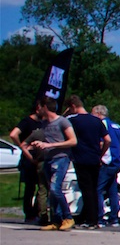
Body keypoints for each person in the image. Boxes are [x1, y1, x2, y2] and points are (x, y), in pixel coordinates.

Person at [25, 97, 76, 231]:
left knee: (55, 188)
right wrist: (36, 145)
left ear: (45, 107)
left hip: (61, 158)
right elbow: (45, 140)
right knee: (50, 191)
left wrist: (50, 145)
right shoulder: (44, 124)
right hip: (48, 159)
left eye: (40, 107)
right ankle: (56, 220)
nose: (38, 110)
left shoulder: (62, 122)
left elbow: (73, 141)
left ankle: (68, 217)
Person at [63, 95, 108, 229]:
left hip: (81, 158)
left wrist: (66, 113)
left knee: (86, 190)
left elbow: (63, 125)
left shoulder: (72, 121)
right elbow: (108, 140)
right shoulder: (96, 120)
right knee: (94, 189)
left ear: (72, 107)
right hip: (95, 158)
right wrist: (101, 154)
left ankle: (91, 220)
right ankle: (93, 217)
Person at [9, 104, 45, 225]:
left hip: (40, 157)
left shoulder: (44, 122)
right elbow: (13, 134)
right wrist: (22, 147)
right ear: (38, 108)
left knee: (41, 187)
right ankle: (29, 213)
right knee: (30, 187)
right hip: (29, 157)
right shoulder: (27, 121)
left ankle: (36, 211)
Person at [93, 105, 120, 229]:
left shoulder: (101, 125)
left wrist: (101, 155)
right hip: (117, 162)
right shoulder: (116, 126)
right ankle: (114, 218)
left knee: (99, 190)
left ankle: (100, 218)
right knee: (112, 190)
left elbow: (104, 141)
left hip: (107, 161)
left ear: (98, 114)